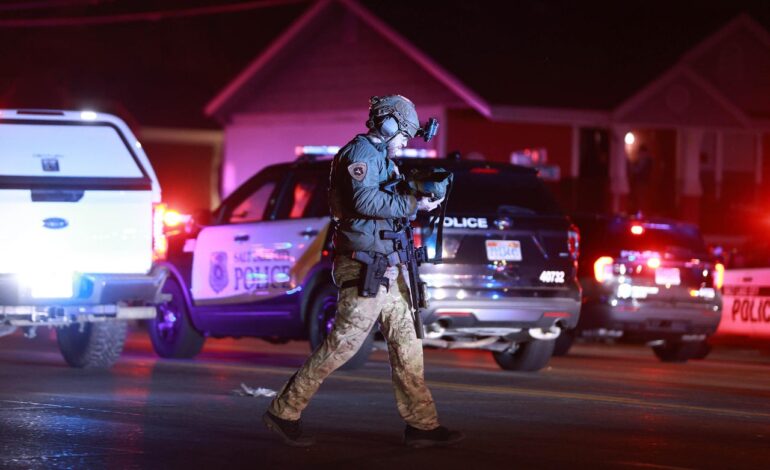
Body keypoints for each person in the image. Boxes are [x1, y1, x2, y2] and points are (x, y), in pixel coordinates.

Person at [263, 95, 464, 448]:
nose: (405, 141)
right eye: (404, 133)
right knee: (344, 343)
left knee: (407, 344)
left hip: (390, 267)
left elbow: (386, 199)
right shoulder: (359, 153)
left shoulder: (382, 158)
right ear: (388, 124)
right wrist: (413, 203)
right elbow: (364, 201)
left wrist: (417, 191)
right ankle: (284, 411)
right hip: (365, 266)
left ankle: (422, 426)